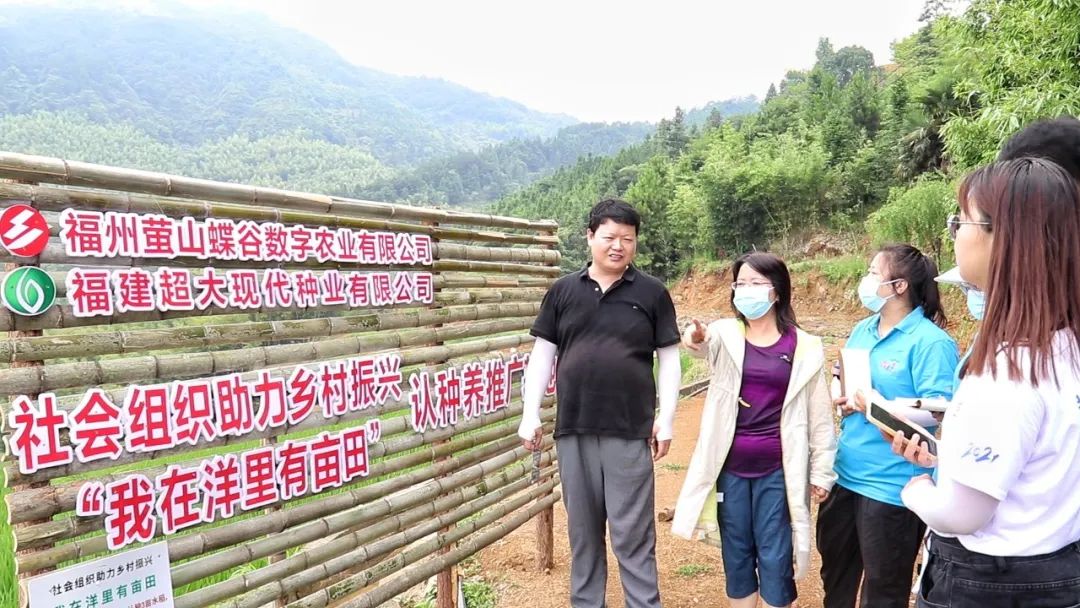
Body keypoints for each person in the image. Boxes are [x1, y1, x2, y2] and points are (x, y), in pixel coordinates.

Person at [892, 158, 1080, 606]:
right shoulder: (1064, 345)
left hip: (991, 583)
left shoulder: (1007, 372)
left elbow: (961, 515)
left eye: (961, 220)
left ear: (1006, 239)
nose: (954, 232)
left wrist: (916, 489)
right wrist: (949, 453)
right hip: (1059, 569)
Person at [517, 198, 681, 608]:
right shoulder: (563, 292)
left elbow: (670, 359)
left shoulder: (652, 293)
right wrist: (529, 413)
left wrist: (666, 418)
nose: (618, 246)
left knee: (633, 535)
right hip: (574, 429)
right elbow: (542, 355)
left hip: (629, 429)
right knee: (583, 534)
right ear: (590, 237)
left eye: (628, 238)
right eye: (609, 237)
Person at [672, 252, 836, 608]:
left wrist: (822, 470)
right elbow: (701, 344)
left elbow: (820, 416)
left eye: (756, 283)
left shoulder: (804, 347)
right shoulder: (725, 333)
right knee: (737, 554)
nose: (746, 290)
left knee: (777, 557)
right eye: (740, 284)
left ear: (777, 291)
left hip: (778, 470)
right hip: (730, 469)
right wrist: (694, 336)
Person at [816, 244, 959, 608]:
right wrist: (841, 392)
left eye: (873, 273)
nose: (865, 280)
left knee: (884, 591)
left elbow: (939, 411)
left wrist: (877, 406)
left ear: (899, 286)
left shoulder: (931, 342)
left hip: (892, 484)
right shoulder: (863, 329)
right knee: (836, 579)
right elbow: (843, 375)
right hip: (846, 474)